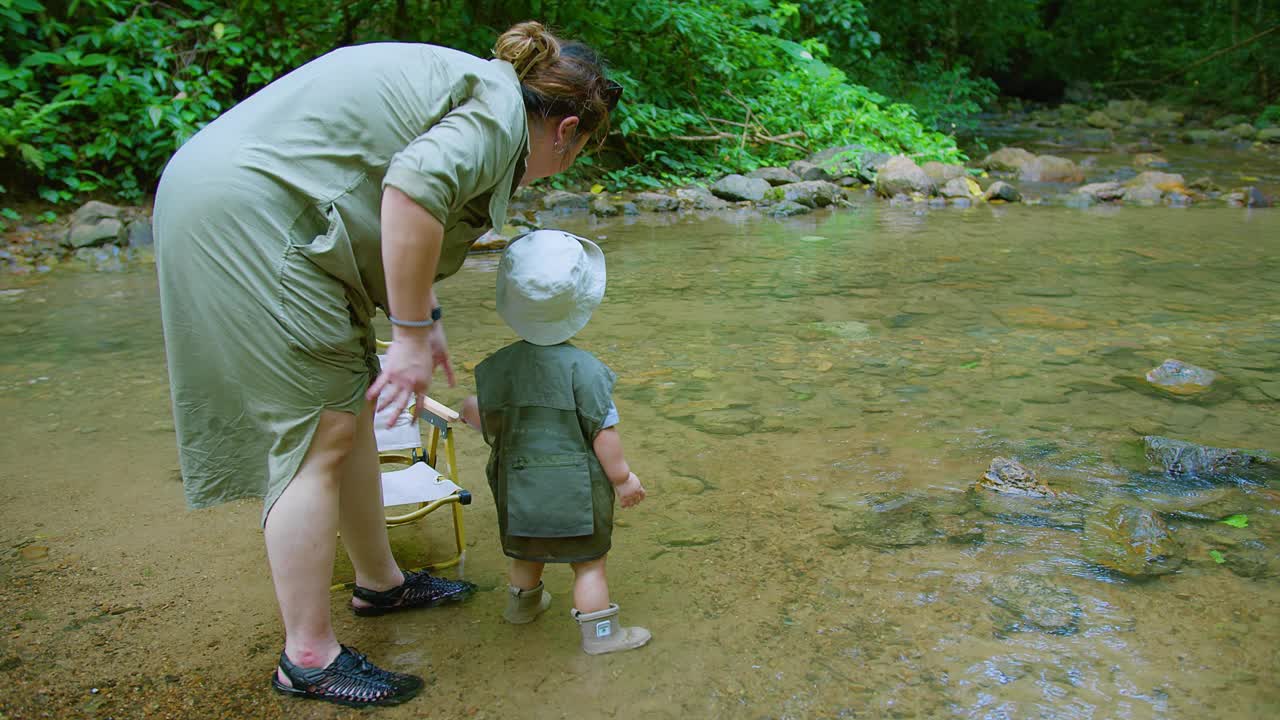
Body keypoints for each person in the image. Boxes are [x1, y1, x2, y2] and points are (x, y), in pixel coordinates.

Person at [153, 22, 622, 708]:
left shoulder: (479, 92)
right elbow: (412, 187)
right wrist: (404, 333)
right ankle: (308, 656)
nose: (561, 169)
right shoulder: (497, 118)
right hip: (252, 216)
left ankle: (382, 584)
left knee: (352, 417)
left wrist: (423, 315)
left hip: (264, 207)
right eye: (574, 155)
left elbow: (391, 189)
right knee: (318, 437)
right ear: (565, 128)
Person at [459, 229, 651, 656]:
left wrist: (467, 409)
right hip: (576, 494)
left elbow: (480, 415)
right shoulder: (587, 371)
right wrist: (623, 480)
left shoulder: (496, 367)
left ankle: (522, 610)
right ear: (580, 304)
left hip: (519, 490)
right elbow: (604, 433)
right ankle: (602, 637)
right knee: (588, 565)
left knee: (527, 553)